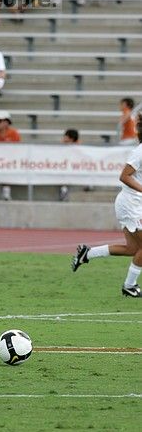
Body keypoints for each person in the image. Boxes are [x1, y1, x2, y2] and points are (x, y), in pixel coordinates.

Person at [71, 115, 142, 298]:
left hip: (135, 203)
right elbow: (124, 176)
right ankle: (129, 285)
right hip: (131, 203)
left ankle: (88, 253)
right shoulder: (140, 151)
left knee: (133, 250)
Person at [59, 128, 80, 201]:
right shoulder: (60, 147)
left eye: (66, 136)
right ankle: (64, 191)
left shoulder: (80, 149)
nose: (64, 138)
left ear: (71, 138)